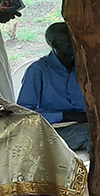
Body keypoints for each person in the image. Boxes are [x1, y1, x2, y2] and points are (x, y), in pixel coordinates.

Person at [17, 23, 89, 151]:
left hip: (85, 123)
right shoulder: (38, 70)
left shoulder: (84, 66)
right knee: (92, 134)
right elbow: (25, 113)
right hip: (53, 130)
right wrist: (65, 115)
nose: (76, 42)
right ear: (55, 45)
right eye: (69, 40)